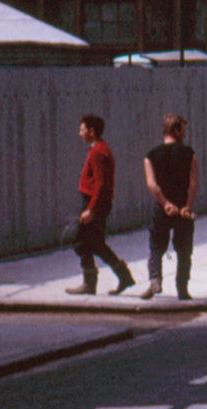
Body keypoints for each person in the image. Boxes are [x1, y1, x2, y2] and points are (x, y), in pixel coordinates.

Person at [69, 113, 134, 296]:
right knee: (95, 244)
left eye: (82, 129)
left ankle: (91, 283)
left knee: (81, 243)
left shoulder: (98, 152)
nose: (79, 133)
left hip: (94, 203)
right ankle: (123, 277)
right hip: (96, 203)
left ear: (91, 131)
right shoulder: (98, 149)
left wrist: (90, 210)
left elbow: (100, 183)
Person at [141, 112, 198, 300]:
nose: (185, 133)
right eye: (183, 129)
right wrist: (187, 206)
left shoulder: (151, 155)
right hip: (183, 209)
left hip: (162, 208)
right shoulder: (189, 154)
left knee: (156, 247)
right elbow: (193, 183)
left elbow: (152, 184)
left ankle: (155, 280)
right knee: (183, 251)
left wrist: (165, 203)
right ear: (176, 129)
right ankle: (182, 288)